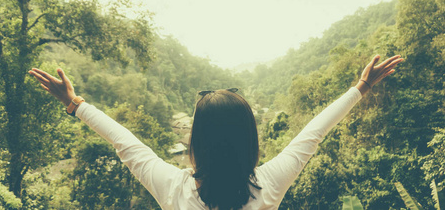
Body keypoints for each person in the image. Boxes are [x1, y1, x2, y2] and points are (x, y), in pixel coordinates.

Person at [29, 54, 403, 210]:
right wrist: (361, 88)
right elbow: (313, 133)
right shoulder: (269, 184)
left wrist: (76, 105)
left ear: (197, 144)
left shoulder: (175, 191)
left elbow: (126, 143)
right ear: (250, 142)